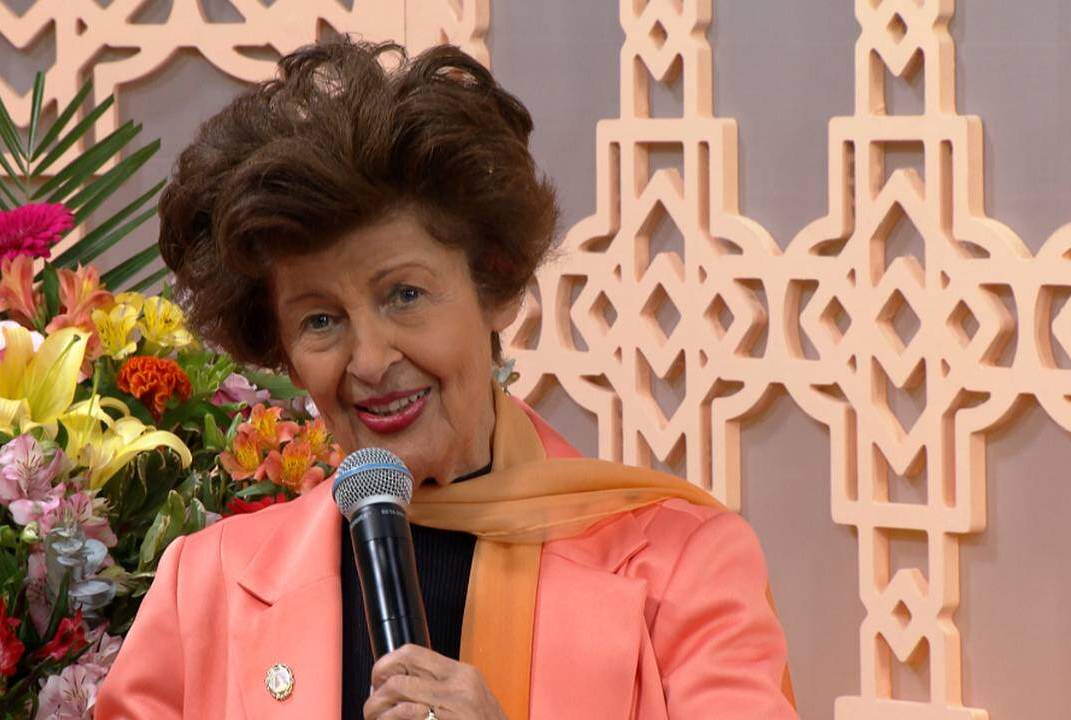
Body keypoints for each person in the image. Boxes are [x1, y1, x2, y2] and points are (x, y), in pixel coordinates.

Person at [96, 38, 797, 720]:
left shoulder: (682, 564)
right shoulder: (204, 587)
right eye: (320, 320)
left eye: (405, 295)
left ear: (496, 288)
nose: (370, 361)